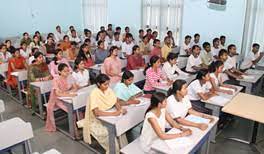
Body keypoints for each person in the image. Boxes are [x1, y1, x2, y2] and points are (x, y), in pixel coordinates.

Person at [83, 74, 128, 154]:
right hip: (97, 119)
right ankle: (114, 151)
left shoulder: (109, 90)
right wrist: (114, 114)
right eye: (105, 84)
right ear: (98, 84)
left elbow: (116, 102)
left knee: (121, 127)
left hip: (109, 115)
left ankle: (124, 150)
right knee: (108, 133)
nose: (107, 86)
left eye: (108, 84)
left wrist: (120, 110)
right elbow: (96, 112)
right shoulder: (94, 93)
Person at [45, 63, 78, 132]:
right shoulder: (56, 80)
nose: (67, 73)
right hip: (56, 99)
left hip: (66, 96)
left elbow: (75, 87)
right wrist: (69, 94)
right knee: (71, 110)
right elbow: (57, 93)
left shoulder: (70, 77)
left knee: (78, 107)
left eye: (68, 71)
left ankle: (78, 125)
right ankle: (74, 130)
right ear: (59, 72)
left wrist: (68, 93)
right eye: (65, 71)